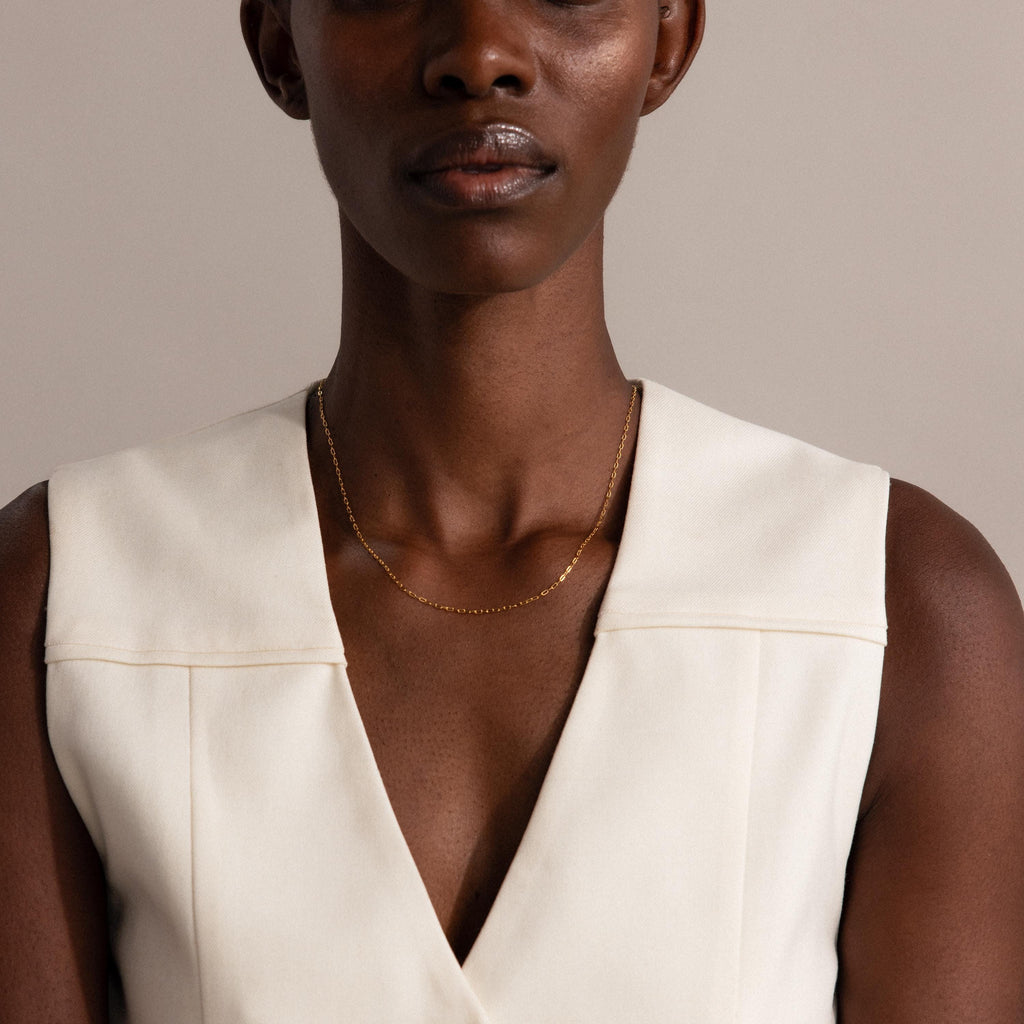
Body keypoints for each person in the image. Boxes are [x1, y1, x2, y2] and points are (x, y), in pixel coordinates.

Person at [1, 0, 1022, 1020]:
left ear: (666, 38)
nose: (478, 54)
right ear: (279, 42)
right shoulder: (66, 596)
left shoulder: (898, 611)